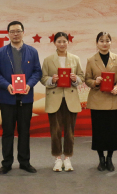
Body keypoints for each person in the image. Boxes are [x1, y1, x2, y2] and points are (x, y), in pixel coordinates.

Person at [0, 20, 42, 175]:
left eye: (18, 31)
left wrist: (29, 84)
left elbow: (37, 72)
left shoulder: (32, 51)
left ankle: (24, 162)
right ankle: (6, 163)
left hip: (26, 98)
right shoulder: (1, 52)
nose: (15, 34)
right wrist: (6, 85)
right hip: (8, 98)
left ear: (23, 33)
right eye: (12, 31)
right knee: (7, 131)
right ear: (8, 34)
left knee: (24, 131)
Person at [40, 32, 84, 172]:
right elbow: (43, 78)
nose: (62, 44)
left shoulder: (75, 59)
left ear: (68, 42)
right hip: (55, 98)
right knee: (55, 130)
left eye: (64, 41)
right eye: (59, 41)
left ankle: (68, 158)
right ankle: (58, 158)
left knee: (70, 131)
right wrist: (52, 80)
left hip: (70, 98)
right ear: (54, 43)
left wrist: (75, 79)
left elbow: (81, 77)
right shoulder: (48, 60)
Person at [84, 32, 117, 172]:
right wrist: (95, 82)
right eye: (101, 41)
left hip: (112, 99)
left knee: (112, 131)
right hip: (97, 100)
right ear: (97, 43)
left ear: (111, 42)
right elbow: (87, 79)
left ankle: (110, 158)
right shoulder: (91, 60)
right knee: (99, 132)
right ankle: (101, 159)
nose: (104, 43)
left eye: (107, 40)